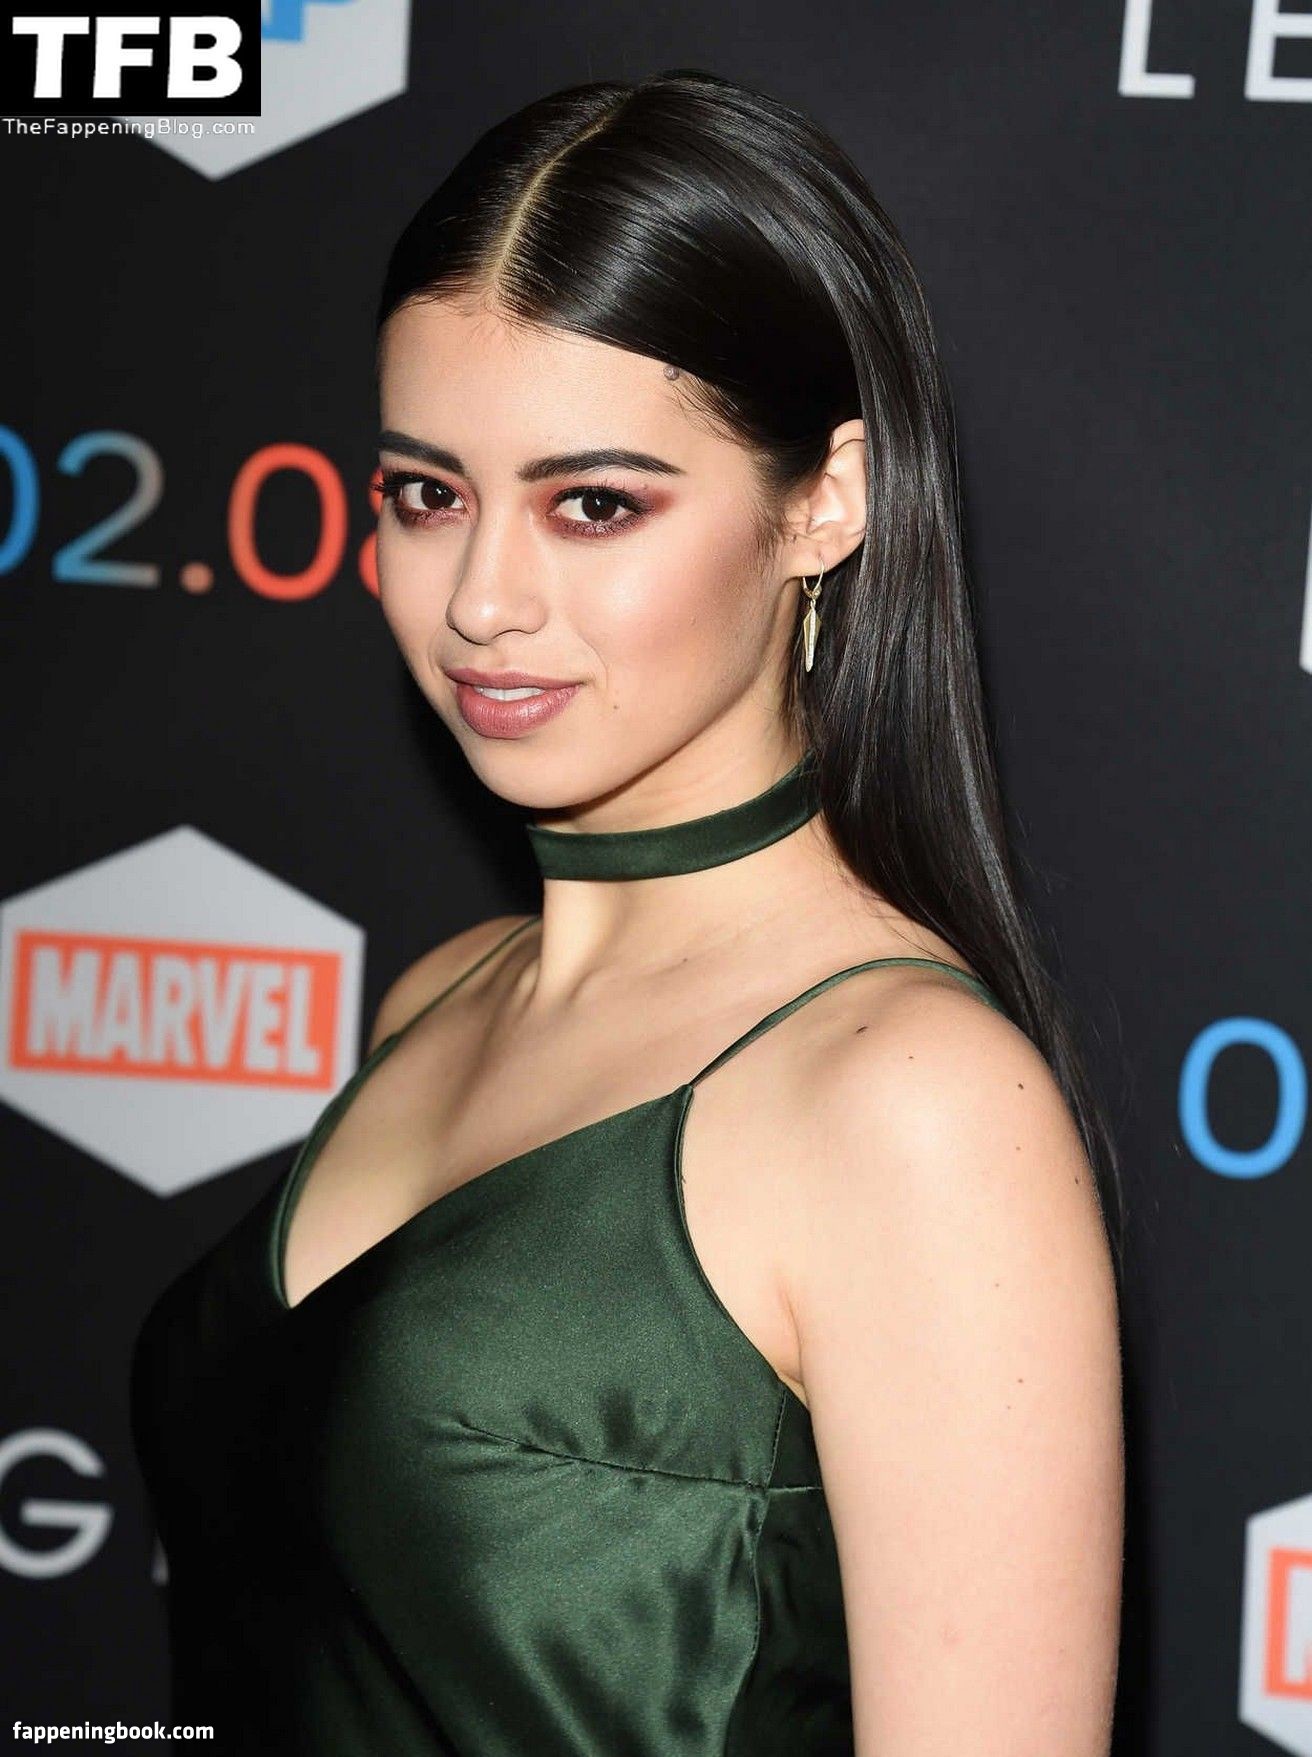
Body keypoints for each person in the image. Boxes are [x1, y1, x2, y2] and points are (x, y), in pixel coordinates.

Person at [131, 66, 1124, 1756]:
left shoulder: (915, 1108)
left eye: (593, 503)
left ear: (827, 500)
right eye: (427, 495)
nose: (483, 600)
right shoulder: (439, 994)